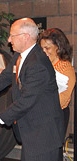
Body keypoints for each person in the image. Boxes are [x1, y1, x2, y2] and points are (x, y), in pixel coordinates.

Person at [0, 18, 64, 161]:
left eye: (12, 35)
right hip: (31, 133)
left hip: (43, 136)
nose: (9, 40)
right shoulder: (20, 55)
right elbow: (3, 79)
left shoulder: (38, 63)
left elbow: (27, 100)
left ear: (25, 37)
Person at [38, 28, 76, 160]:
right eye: (42, 48)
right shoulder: (41, 65)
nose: (44, 52)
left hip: (56, 115)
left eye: (47, 48)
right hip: (39, 113)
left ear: (58, 47)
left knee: (52, 153)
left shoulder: (66, 69)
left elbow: (63, 99)